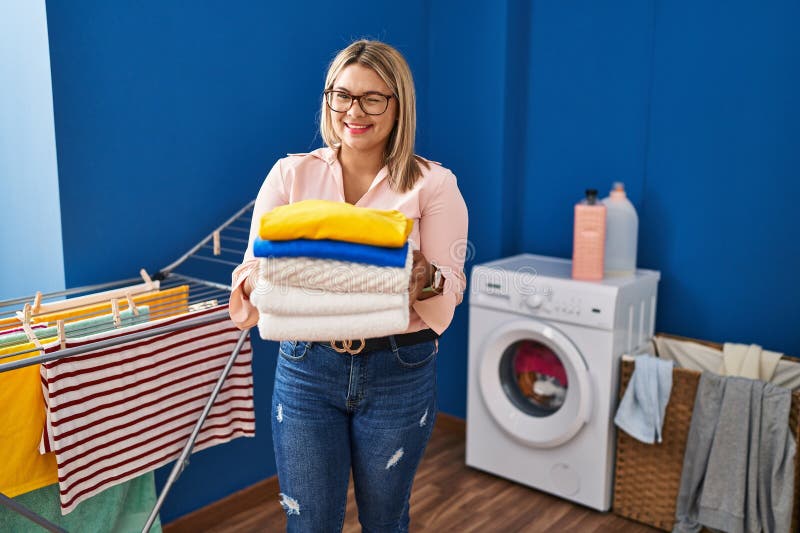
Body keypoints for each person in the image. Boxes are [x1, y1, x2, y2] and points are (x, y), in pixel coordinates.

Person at [229, 39, 468, 532]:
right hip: (306, 368)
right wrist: (268, 280)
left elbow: (453, 282)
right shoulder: (289, 176)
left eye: (372, 98)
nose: (353, 111)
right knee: (310, 523)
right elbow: (250, 270)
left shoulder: (433, 184)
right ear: (328, 100)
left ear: (399, 105)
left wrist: (425, 277)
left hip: (398, 366)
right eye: (342, 95)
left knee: (385, 521)